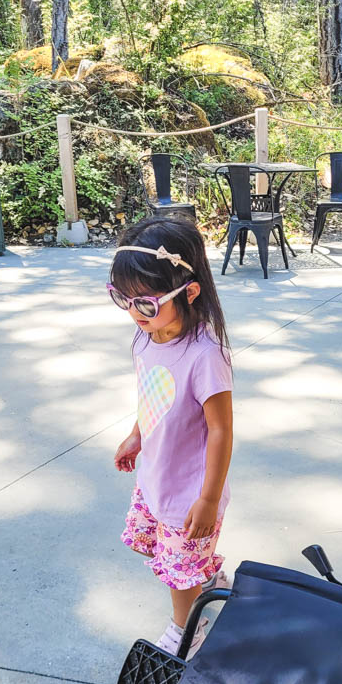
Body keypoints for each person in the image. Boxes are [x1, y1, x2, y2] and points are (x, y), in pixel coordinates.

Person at [109, 216, 233, 658]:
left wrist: (208, 498)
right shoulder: (147, 339)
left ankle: (187, 628)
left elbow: (221, 430)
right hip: (156, 477)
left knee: (178, 574)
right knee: (161, 553)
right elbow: (151, 396)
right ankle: (211, 578)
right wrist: (136, 434)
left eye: (145, 302)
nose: (132, 313)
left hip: (190, 490)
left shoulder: (205, 356)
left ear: (190, 292)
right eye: (122, 299)